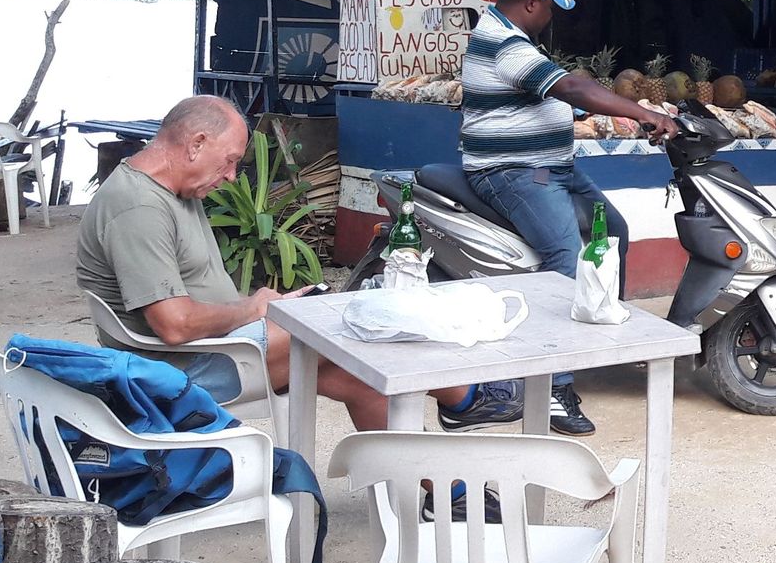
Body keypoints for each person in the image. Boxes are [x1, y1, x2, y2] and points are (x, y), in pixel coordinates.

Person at [78, 95, 516, 431]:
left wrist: (264, 308)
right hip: (183, 370)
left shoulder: (174, 190)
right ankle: (465, 398)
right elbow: (174, 325)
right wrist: (254, 309)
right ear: (196, 144)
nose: (231, 175)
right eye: (230, 161)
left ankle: (445, 492)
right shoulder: (138, 207)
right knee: (352, 326)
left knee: (359, 377)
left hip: (218, 349)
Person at [461, 0, 677, 436]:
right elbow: (574, 86)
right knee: (566, 256)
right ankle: (554, 388)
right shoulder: (502, 43)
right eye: (550, 7)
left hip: (553, 167)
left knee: (612, 231)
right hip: (512, 171)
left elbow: (559, 92)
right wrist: (643, 113)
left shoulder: (513, 37)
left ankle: (594, 334)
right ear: (531, 3)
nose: (552, 15)